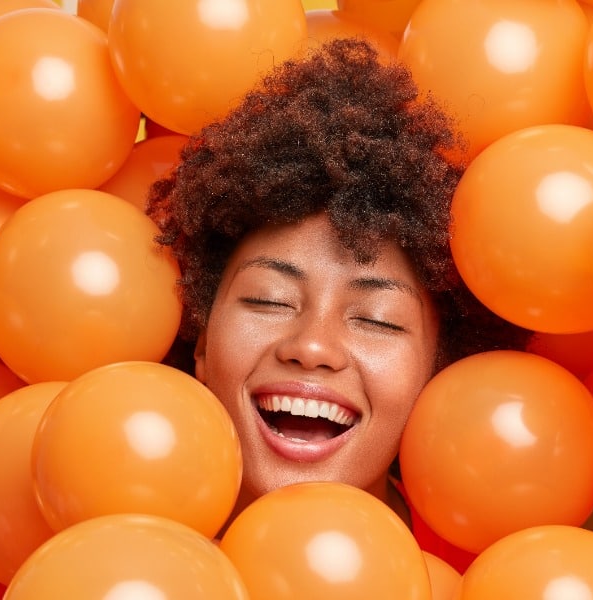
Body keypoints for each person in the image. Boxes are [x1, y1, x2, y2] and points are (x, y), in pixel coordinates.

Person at [146, 38, 531, 570]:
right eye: (269, 299)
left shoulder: (490, 573)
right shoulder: (98, 553)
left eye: (376, 319)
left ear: (439, 374)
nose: (312, 346)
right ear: (202, 340)